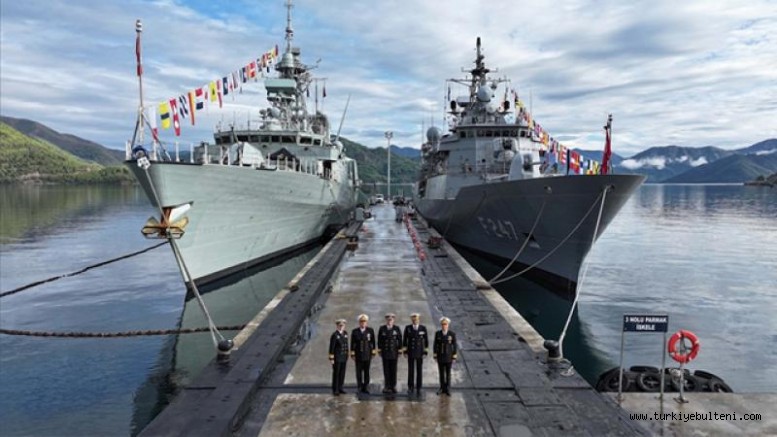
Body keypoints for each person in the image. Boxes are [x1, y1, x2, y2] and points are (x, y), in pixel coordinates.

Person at [402, 313, 428, 397]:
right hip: (411, 352)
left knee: (419, 371)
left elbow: (426, 341)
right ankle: (410, 387)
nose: (415, 321)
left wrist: (425, 352)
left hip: (419, 352)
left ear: (419, 320)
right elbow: (405, 340)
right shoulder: (408, 328)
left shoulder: (423, 328)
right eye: (413, 320)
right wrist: (405, 351)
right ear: (412, 320)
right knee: (411, 370)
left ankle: (419, 387)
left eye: (416, 320)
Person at [350, 314, 376, 394]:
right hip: (358, 354)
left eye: (364, 322)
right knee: (359, 372)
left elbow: (373, 342)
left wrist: (373, 352)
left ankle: (366, 386)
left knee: (366, 371)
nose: (363, 323)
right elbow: (352, 343)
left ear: (366, 322)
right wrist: (353, 354)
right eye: (361, 322)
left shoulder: (370, 331)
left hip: (367, 354)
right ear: (359, 322)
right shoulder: (355, 331)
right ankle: (359, 386)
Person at [378, 313, 402, 394]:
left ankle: (393, 386)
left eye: (391, 320)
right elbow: (379, 340)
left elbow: (400, 339)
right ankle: (387, 386)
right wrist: (380, 350)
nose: (390, 321)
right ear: (386, 320)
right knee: (386, 370)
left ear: (393, 320)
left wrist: (399, 350)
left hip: (394, 352)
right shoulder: (382, 329)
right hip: (385, 352)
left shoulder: (396, 328)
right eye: (388, 320)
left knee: (393, 370)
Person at [433, 317, 458, 396]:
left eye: (445, 324)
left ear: (448, 325)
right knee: (441, 373)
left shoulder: (452, 334)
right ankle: (442, 387)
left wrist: (454, 356)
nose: (444, 326)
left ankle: (448, 388)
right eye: (443, 324)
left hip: (448, 356)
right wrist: (435, 355)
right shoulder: (438, 333)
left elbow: (454, 345)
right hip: (440, 356)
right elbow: (435, 344)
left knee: (448, 374)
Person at [328, 319, 349, 396]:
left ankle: (340, 387)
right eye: (340, 326)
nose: (341, 327)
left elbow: (346, 345)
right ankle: (335, 389)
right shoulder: (335, 335)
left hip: (344, 356)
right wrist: (331, 358)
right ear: (337, 326)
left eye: (342, 326)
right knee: (336, 373)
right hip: (337, 357)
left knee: (342, 373)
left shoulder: (345, 333)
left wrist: (347, 354)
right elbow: (332, 347)